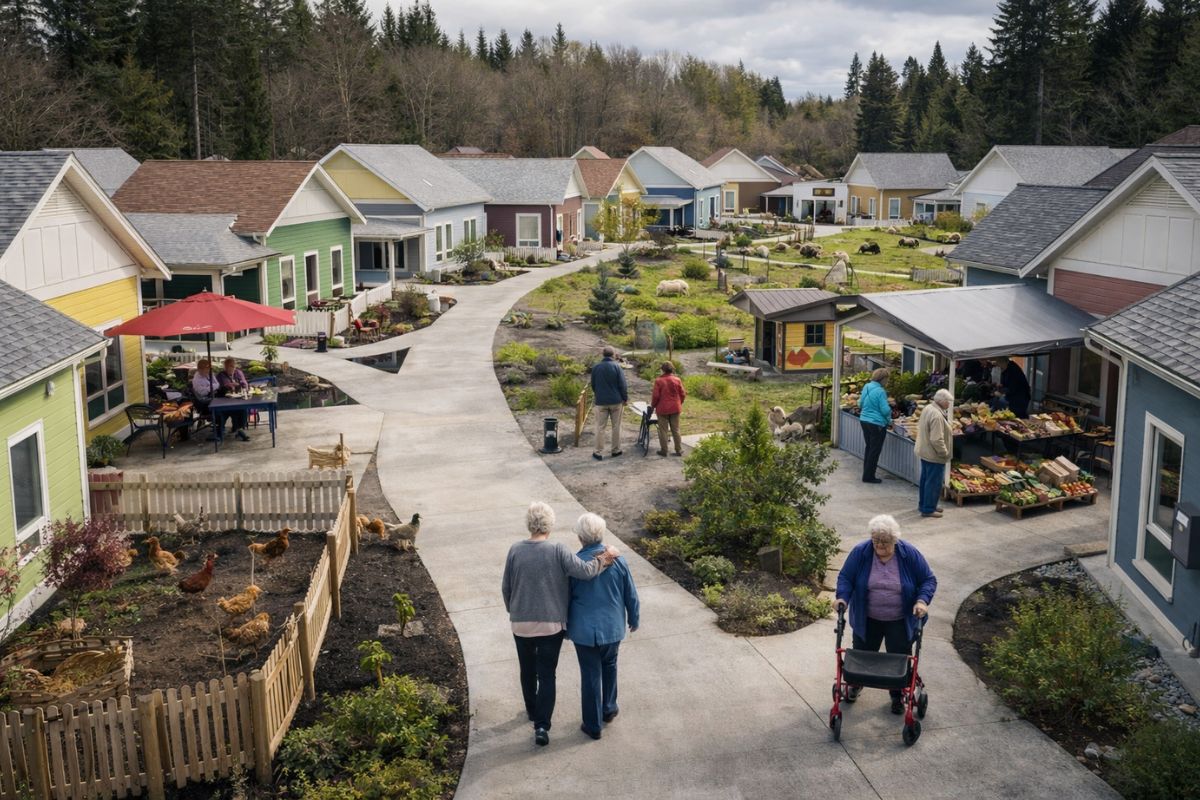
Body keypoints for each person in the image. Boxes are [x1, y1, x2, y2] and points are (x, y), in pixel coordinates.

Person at [501, 502, 618, 747]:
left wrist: (516, 611)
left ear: (529, 524)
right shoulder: (558, 550)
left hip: (520, 624)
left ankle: (532, 710)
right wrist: (605, 558)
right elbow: (586, 571)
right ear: (550, 525)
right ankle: (542, 726)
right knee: (546, 674)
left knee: (527, 669)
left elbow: (506, 588)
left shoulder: (515, 550)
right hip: (550, 626)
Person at [835, 515, 937, 714]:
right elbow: (846, 577)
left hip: (900, 618)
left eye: (885, 541)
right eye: (876, 540)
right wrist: (842, 598)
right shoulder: (861, 552)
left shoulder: (909, 554)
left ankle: (897, 695)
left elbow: (928, 580)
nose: (879, 545)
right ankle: (856, 684)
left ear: (895, 540)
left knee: (898, 659)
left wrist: (922, 601)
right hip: (868, 617)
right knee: (863, 654)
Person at [568, 513, 639, 740]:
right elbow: (631, 593)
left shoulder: (575, 564)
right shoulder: (619, 561)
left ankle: (592, 724)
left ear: (580, 537)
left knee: (590, 675)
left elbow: (565, 598)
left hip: (584, 631)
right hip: (612, 628)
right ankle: (608, 707)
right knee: (610, 664)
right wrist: (634, 618)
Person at [916, 389, 954, 518]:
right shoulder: (937, 415)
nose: (949, 404)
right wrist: (944, 452)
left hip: (925, 451)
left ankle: (925, 504)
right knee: (934, 482)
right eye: (948, 402)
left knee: (926, 480)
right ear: (942, 402)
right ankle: (928, 509)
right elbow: (937, 439)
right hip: (934, 454)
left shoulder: (928, 408)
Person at [590, 346, 628, 460]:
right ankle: (615, 450)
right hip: (616, 401)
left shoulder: (596, 367)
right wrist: (625, 398)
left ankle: (598, 452)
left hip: (601, 401)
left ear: (603, 354)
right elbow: (623, 385)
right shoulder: (617, 366)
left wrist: (598, 394)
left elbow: (593, 384)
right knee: (616, 426)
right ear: (613, 355)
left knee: (600, 427)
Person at [858, 368, 891, 483]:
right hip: (876, 423)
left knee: (869, 448)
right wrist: (889, 420)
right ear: (882, 379)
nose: (887, 382)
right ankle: (869, 476)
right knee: (874, 450)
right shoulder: (881, 391)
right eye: (887, 379)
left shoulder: (867, 387)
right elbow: (885, 410)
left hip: (864, 421)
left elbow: (860, 403)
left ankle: (866, 473)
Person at [651, 362, 686, 457]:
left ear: (662, 370)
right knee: (676, 429)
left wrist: (653, 406)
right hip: (675, 407)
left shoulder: (659, 381)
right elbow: (683, 394)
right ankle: (679, 450)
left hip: (662, 409)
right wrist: (679, 403)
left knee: (663, 430)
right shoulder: (677, 380)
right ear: (672, 369)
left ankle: (664, 450)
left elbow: (656, 396)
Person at [216, 357, 251, 441]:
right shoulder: (221, 375)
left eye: (232, 366)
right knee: (234, 410)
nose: (231, 368)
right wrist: (231, 385)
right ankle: (238, 430)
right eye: (229, 366)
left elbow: (244, 383)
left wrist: (243, 386)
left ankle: (240, 429)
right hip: (224, 400)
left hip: (238, 398)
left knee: (243, 409)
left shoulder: (238, 372)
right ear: (225, 367)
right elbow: (223, 386)